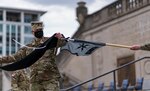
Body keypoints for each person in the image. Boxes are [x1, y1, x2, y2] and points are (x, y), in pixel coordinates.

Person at [0, 21, 66, 91]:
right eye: (37, 30)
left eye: (40, 30)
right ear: (33, 32)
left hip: (50, 79)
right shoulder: (28, 47)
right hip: (35, 81)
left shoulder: (49, 42)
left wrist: (61, 37)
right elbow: (14, 57)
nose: (39, 32)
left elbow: (62, 43)